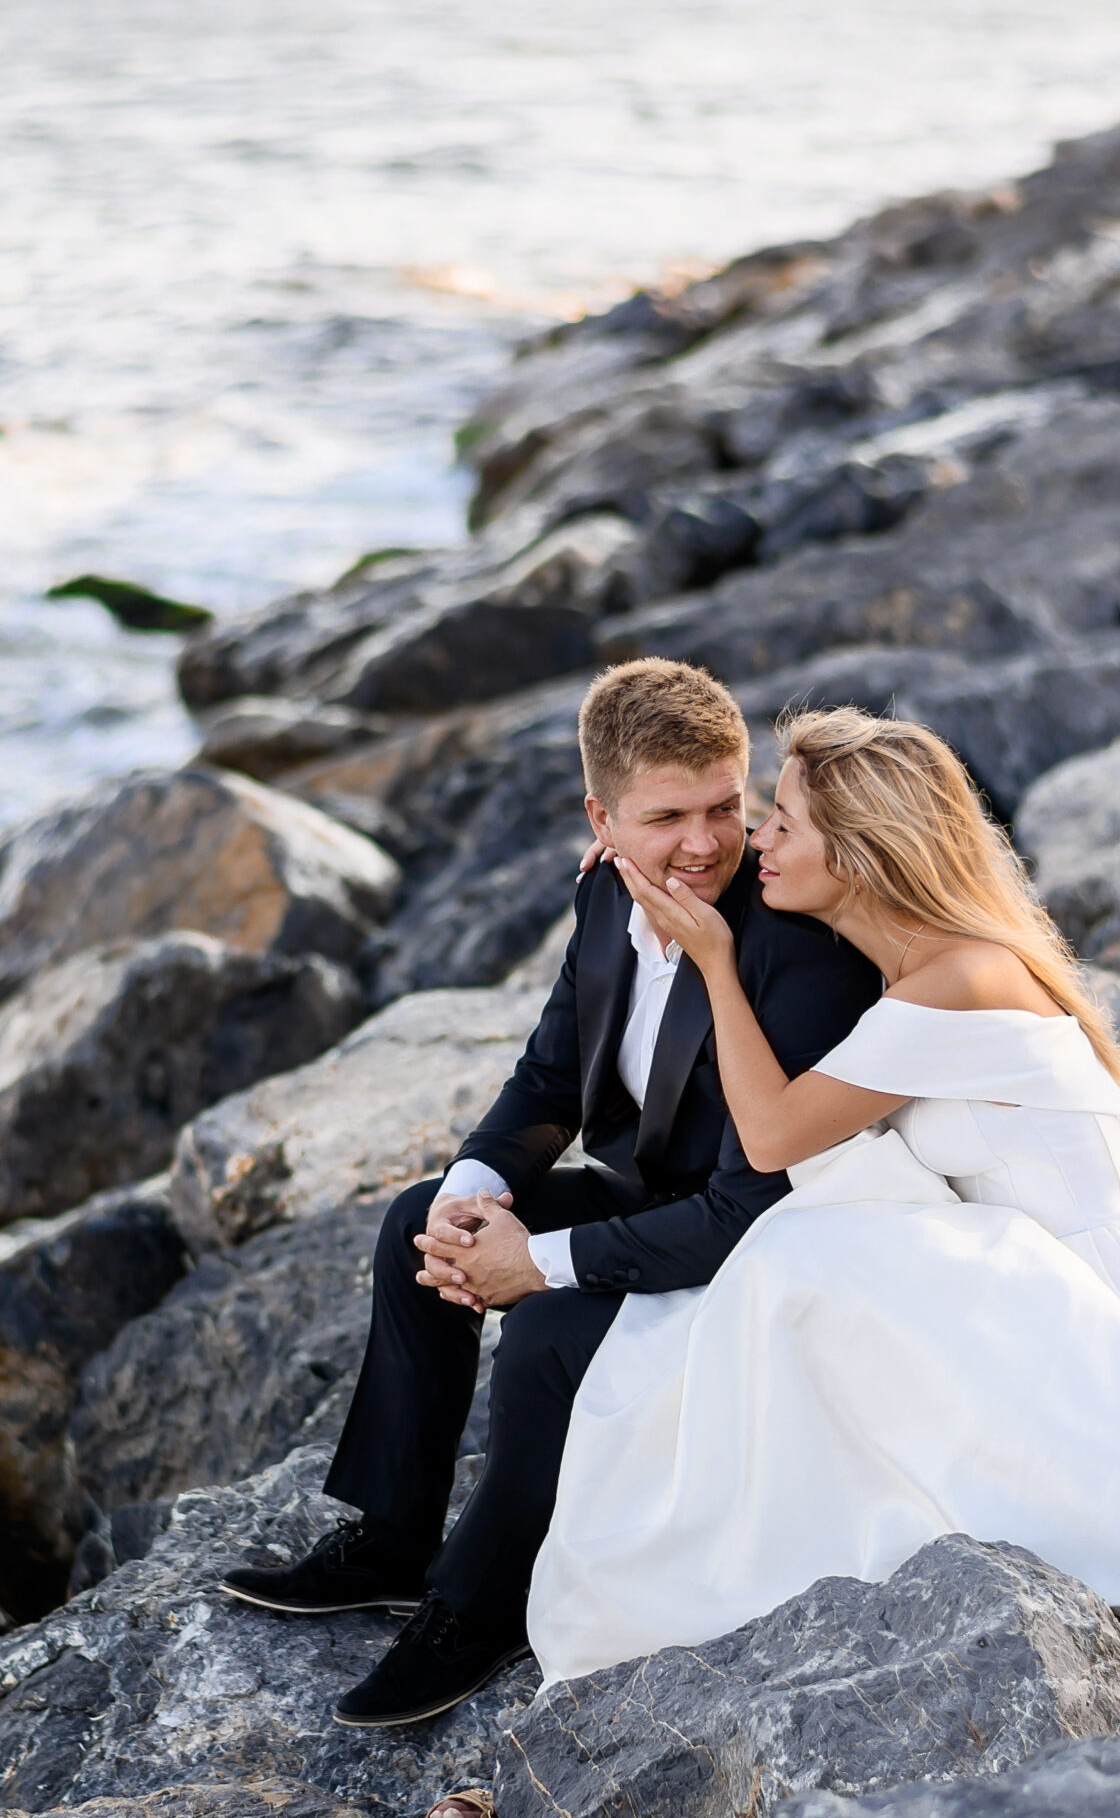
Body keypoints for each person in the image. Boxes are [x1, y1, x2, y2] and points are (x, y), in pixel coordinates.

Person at [528, 704, 1120, 1688]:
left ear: (855, 854)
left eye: (780, 822)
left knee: (794, 1282)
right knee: (800, 1288)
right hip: (1032, 1255)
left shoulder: (954, 979)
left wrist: (717, 961)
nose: (755, 838)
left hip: (1094, 1284)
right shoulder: (911, 965)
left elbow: (769, 1133)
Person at [219, 659, 884, 1726]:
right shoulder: (599, 893)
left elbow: (744, 1210)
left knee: (549, 1329)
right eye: (664, 816)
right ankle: (394, 1538)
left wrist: (534, 1262)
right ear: (600, 818)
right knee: (412, 1226)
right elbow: (547, 1076)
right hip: (652, 1199)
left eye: (726, 806)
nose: (705, 843)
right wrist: (474, 1192)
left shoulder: (797, 949)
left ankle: (476, 1607)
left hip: (759, 1241)